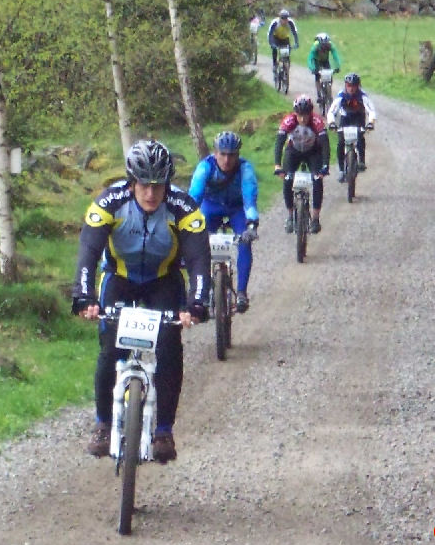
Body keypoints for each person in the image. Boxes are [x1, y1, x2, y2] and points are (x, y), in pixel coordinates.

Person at [71, 139, 211, 463]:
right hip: (120, 280)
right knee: (110, 350)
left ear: (167, 183)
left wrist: (197, 303)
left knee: (169, 347)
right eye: (144, 185)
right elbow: (88, 251)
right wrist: (84, 296)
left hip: (163, 282)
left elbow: (199, 259)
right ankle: (103, 425)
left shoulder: (184, 208)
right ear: (132, 181)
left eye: (158, 185)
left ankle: (163, 431)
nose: (151, 194)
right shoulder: (110, 202)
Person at [188, 131, 259, 313]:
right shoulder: (205, 167)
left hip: (237, 209)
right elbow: (194, 197)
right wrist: (187, 221)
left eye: (232, 155)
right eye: (223, 154)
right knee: (200, 244)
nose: (227, 160)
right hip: (211, 207)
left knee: (244, 242)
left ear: (238, 154)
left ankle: (241, 293)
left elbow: (249, 198)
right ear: (215, 152)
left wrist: (252, 223)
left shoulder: (245, 168)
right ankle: (202, 292)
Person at [274, 94, 330, 234]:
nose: (303, 119)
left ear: (310, 113)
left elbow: (325, 144)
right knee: (287, 180)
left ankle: (316, 218)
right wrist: (277, 165)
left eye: (305, 115)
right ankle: (290, 216)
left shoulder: (317, 121)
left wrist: (325, 165)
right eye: (299, 115)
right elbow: (279, 142)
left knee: (317, 180)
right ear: (295, 113)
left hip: (313, 152)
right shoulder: (289, 120)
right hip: (294, 151)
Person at [327, 72, 377, 182]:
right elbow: (332, 111)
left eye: (354, 86)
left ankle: (361, 161)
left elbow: (371, 110)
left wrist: (371, 122)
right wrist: (331, 123)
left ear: (358, 86)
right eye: (349, 86)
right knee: (341, 142)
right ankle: (341, 170)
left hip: (359, 118)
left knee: (360, 138)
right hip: (345, 118)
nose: (351, 89)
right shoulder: (341, 95)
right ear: (345, 85)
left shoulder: (362, 96)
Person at [307, 32, 341, 99]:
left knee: (329, 76)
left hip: (325, 61)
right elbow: (310, 58)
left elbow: (335, 56)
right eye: (323, 46)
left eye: (326, 46)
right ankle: (319, 94)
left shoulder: (331, 45)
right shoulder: (315, 46)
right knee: (317, 76)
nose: (324, 48)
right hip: (316, 61)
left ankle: (328, 89)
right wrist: (312, 68)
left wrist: (337, 67)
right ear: (319, 44)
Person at [267, 9, 299, 74]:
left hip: (285, 38)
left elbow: (294, 32)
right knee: (275, 50)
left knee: (287, 51)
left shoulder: (290, 22)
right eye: (283, 18)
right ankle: (274, 64)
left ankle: (286, 66)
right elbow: (270, 34)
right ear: (280, 18)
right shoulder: (275, 22)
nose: (285, 20)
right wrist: (271, 44)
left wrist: (296, 43)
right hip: (275, 37)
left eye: (286, 18)